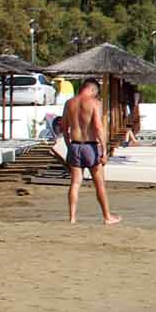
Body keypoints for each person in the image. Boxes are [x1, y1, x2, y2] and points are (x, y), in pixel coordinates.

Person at [54, 79, 121, 226]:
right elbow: (98, 127)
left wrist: (68, 145)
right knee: (99, 184)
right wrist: (104, 150)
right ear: (93, 90)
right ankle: (107, 216)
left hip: (75, 145)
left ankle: (72, 217)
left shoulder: (69, 103)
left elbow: (64, 128)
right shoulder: (94, 103)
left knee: (75, 183)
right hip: (90, 146)